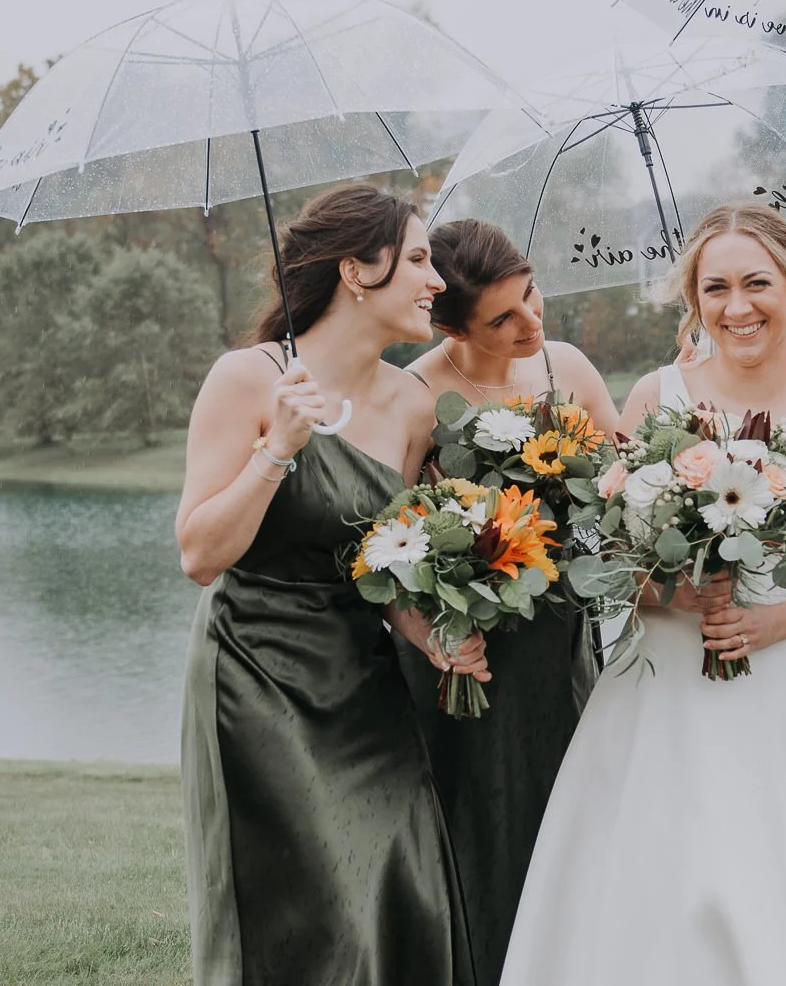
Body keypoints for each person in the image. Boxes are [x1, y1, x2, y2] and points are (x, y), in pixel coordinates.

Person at [498, 203, 786, 986]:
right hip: (665, 682)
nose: (738, 307)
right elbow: (619, 555)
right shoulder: (655, 396)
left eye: (757, 283)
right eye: (717, 287)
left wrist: (772, 622)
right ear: (694, 300)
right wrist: (675, 591)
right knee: (659, 883)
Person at [175, 184, 488, 986]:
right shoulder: (248, 380)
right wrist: (278, 447)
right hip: (257, 676)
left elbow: (387, 568)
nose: (437, 282)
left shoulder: (414, 405)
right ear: (357, 271)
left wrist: (439, 638)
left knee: (401, 875)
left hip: (366, 680)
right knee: (311, 903)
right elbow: (200, 555)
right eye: (418, 260)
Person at [399, 218, 620, 986]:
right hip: (469, 647)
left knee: (571, 809)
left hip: (561, 634)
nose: (533, 322)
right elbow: (392, 539)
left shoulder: (568, 369)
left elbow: (622, 494)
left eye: (531, 297)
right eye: (504, 317)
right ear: (449, 322)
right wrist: (438, 623)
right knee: (482, 820)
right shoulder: (416, 395)